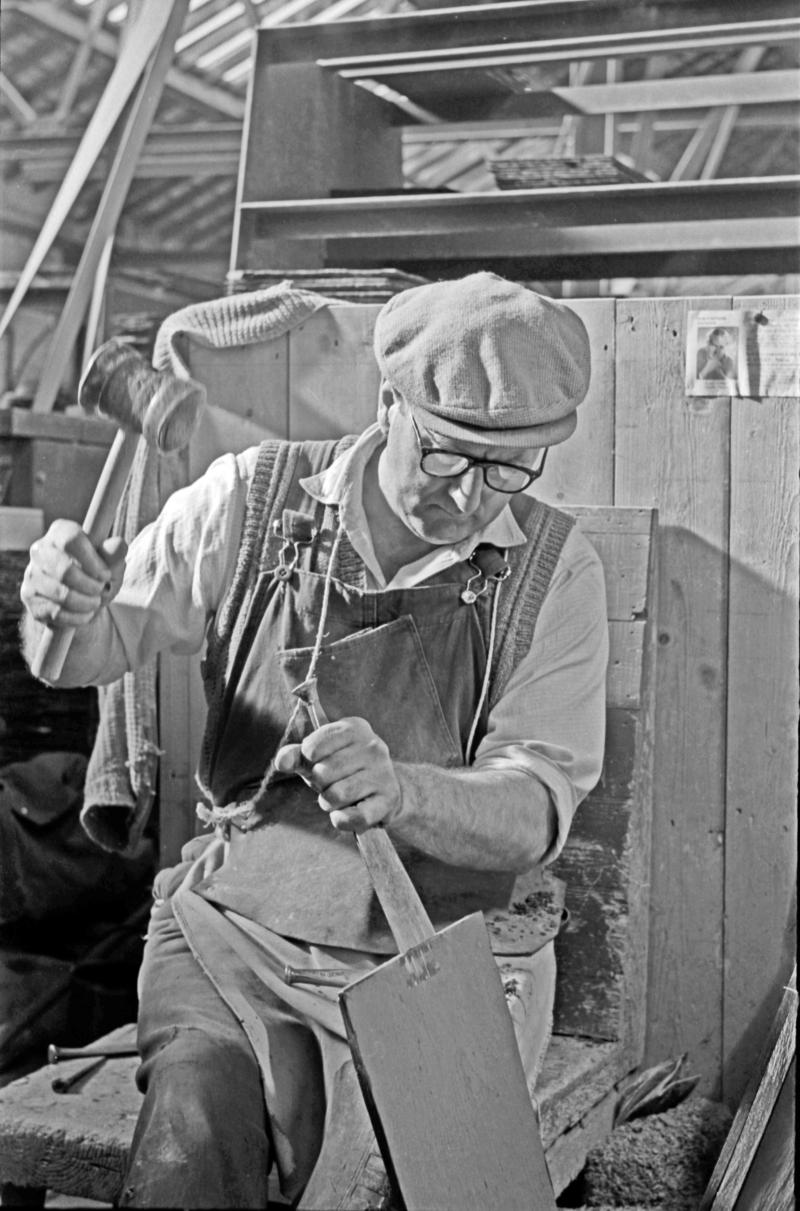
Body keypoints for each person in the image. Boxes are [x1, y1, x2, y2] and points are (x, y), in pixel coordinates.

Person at [20, 272, 609, 1209]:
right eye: (450, 455)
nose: (470, 497)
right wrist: (58, 612)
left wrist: (407, 791)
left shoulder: (556, 573)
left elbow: (534, 810)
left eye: (510, 469)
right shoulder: (250, 498)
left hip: (443, 955)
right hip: (239, 932)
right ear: (389, 404)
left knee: (434, 1182)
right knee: (189, 1150)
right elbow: (88, 649)